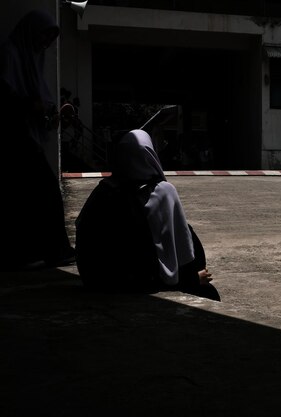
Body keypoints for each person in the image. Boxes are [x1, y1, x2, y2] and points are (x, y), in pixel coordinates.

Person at [75, 129, 219, 300]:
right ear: (151, 155)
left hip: (99, 279)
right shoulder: (162, 191)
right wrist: (192, 279)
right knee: (209, 293)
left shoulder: (104, 190)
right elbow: (181, 245)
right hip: (141, 280)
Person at [0, 10, 76, 270]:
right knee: (45, 194)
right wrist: (33, 107)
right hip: (14, 138)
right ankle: (54, 250)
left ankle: (33, 251)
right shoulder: (10, 54)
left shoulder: (32, 59)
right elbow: (7, 96)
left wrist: (50, 115)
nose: (45, 43)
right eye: (44, 35)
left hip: (25, 137)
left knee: (25, 198)